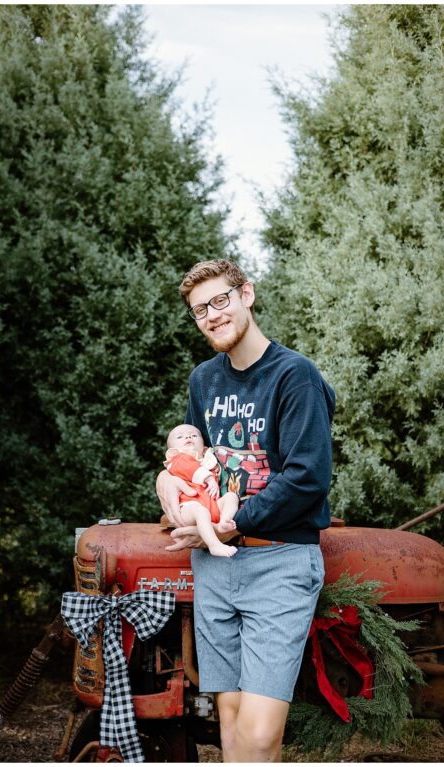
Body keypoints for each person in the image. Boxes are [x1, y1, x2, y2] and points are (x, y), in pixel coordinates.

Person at [156, 259, 335, 762]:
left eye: (219, 301)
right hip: (214, 567)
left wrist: (230, 524)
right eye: (199, 311)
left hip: (280, 561)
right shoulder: (203, 380)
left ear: (246, 295)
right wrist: (165, 478)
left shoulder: (294, 376)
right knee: (231, 729)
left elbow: (307, 477)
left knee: (259, 737)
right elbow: (195, 458)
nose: (212, 316)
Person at [163, 423, 240, 558]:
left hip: (213, 506)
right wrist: (209, 479)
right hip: (188, 507)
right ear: (172, 449)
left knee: (231, 497)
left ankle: (224, 521)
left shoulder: (208, 461)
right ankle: (214, 545)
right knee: (201, 511)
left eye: (194, 435)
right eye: (180, 437)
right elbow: (191, 469)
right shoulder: (176, 459)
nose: (188, 436)